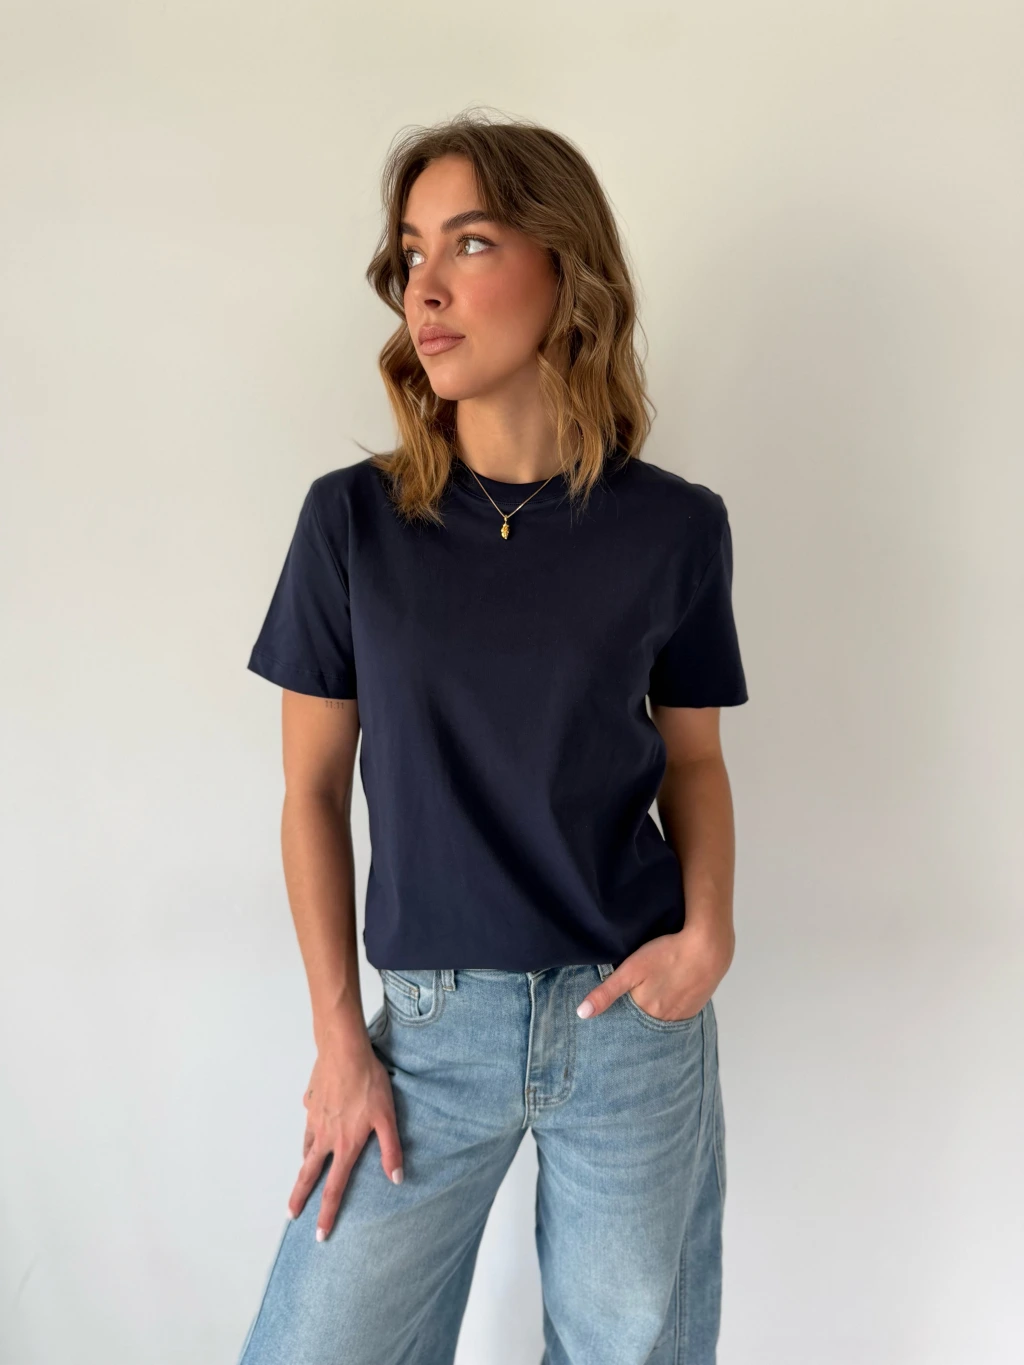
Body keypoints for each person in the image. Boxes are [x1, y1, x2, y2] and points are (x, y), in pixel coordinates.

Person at [236, 109, 748, 1365]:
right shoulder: (351, 524)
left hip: (628, 1020)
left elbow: (692, 761)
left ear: (566, 271)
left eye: (468, 243)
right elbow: (310, 793)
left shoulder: (673, 528)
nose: (426, 285)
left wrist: (708, 935)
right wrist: (338, 1040)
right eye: (411, 252)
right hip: (430, 1032)